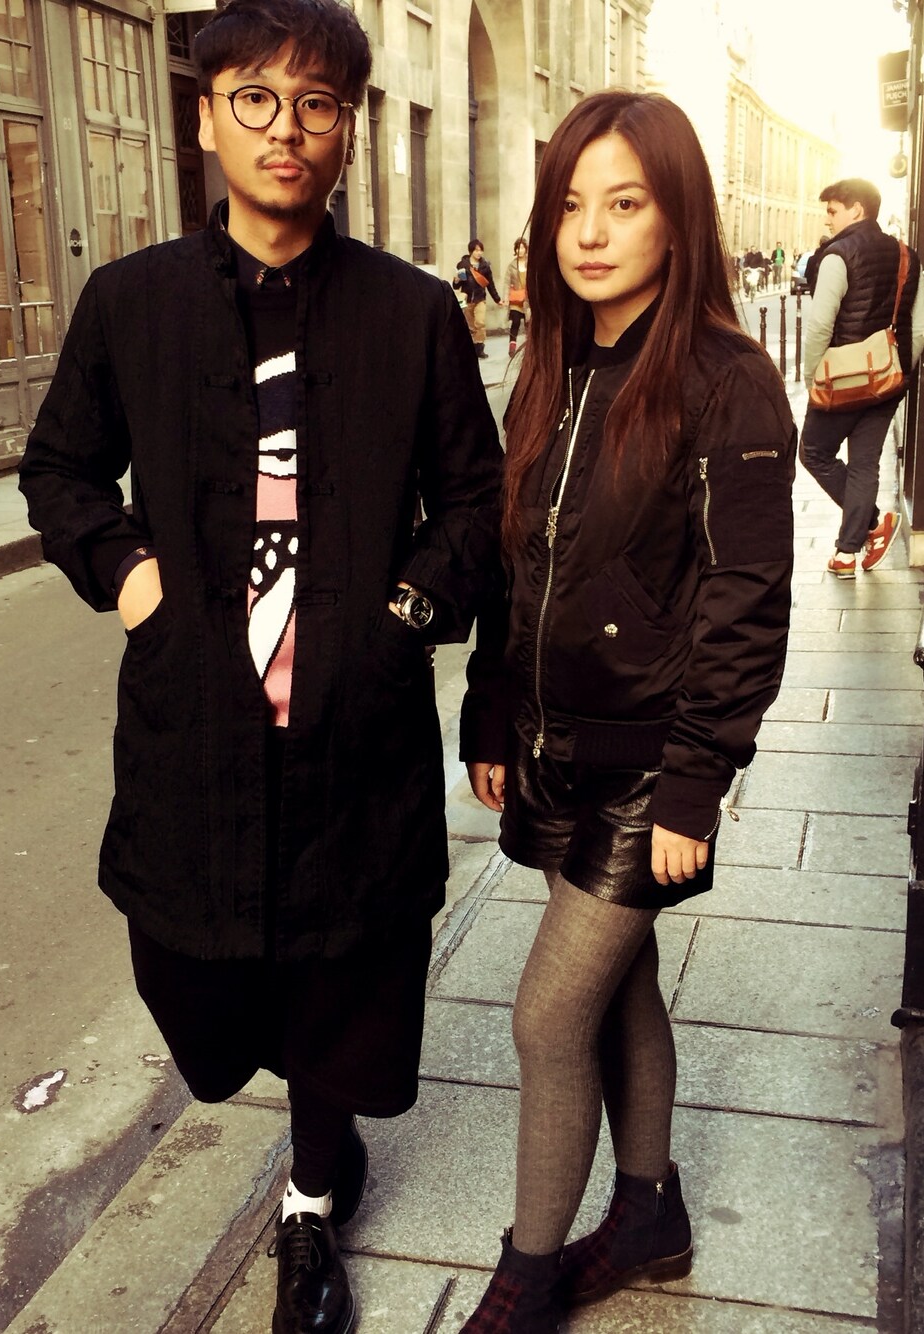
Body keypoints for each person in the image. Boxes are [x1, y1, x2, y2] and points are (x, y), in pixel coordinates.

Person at [18, 3, 503, 1332]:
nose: (287, 128)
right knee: (200, 976)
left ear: (345, 127)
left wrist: (401, 616)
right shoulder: (133, 303)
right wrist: (135, 582)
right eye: (256, 99)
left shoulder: (410, 313)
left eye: (317, 104)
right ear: (206, 116)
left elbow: (475, 503)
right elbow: (60, 469)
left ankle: (310, 1191)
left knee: (341, 976)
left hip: (353, 727)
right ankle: (299, 1110)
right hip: (197, 722)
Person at [458, 89, 795, 1332]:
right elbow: (515, 563)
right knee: (621, 981)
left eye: (624, 202)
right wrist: (490, 708)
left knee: (547, 1014)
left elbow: (745, 601)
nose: (590, 232)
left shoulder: (725, 378)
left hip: (653, 758)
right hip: (555, 745)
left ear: (676, 215)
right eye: (569, 206)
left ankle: (527, 1272)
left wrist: (696, 784)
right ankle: (649, 1212)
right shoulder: (550, 368)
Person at [800, 177, 924, 578]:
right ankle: (848, 552)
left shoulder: (837, 255)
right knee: (864, 464)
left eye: (833, 211)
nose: (828, 219)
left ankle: (869, 525)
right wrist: (899, 369)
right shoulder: (908, 256)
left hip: (841, 381)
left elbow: (820, 325)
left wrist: (812, 376)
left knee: (814, 453)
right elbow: (919, 327)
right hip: (888, 379)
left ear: (856, 210)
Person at [454, 238, 504, 357]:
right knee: (470, 326)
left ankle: (479, 347)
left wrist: (497, 299)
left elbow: (490, 284)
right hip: (467, 299)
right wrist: (456, 280)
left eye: (481, 250)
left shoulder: (485, 266)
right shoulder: (463, 265)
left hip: (480, 298)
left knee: (480, 322)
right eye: (476, 250)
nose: (479, 253)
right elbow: (456, 286)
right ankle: (471, 347)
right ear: (471, 251)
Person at [504, 236, 529, 356]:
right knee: (515, 322)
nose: (520, 251)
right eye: (518, 248)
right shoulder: (512, 265)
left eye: (522, 248)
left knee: (529, 323)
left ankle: (530, 347)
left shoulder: (531, 263)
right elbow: (506, 282)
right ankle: (512, 347)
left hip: (528, 300)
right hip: (516, 300)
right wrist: (505, 298)